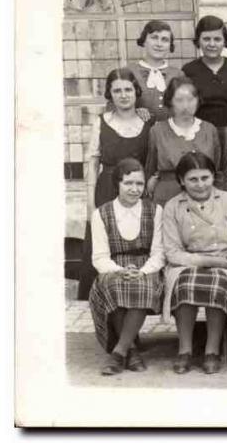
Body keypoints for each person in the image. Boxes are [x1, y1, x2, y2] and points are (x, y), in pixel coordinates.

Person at [162, 152, 227, 375]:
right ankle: (185, 350)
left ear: (213, 177)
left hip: (225, 264)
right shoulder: (173, 206)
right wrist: (210, 261)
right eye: (192, 179)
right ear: (181, 180)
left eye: (205, 178)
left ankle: (211, 350)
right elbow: (172, 252)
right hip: (187, 262)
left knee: (217, 283)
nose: (200, 185)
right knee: (184, 284)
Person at [80, 68, 153, 299]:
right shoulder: (101, 122)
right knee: (104, 248)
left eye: (128, 89)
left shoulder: (147, 122)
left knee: (132, 247)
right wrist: (90, 203)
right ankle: (106, 313)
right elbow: (92, 163)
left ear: (136, 92)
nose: (123, 95)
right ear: (110, 95)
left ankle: (133, 307)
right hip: (107, 190)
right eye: (117, 90)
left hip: (136, 191)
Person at [88, 158, 164, 375]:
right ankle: (131, 351)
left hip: (146, 266)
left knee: (142, 286)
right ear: (117, 184)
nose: (134, 189)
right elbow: (100, 257)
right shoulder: (101, 213)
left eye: (139, 184)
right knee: (113, 285)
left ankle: (119, 352)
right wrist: (120, 271)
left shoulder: (155, 210)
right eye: (128, 183)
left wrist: (142, 271)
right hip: (113, 266)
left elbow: (159, 252)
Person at [145, 76, 227, 206]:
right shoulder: (157, 131)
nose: (185, 106)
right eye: (179, 100)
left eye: (190, 99)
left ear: (198, 101)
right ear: (170, 102)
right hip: (168, 197)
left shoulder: (209, 129)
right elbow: (150, 168)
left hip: (204, 197)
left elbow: (217, 167)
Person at [182, 15, 227, 131]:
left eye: (217, 39)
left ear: (224, 41)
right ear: (198, 41)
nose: (212, 44)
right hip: (199, 136)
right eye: (206, 39)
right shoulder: (189, 70)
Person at [126, 20, 185, 122]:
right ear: (144, 41)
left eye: (165, 40)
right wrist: (133, 111)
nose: (159, 44)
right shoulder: (128, 72)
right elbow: (112, 106)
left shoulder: (178, 74)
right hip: (137, 133)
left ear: (170, 45)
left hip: (169, 134)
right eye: (154, 38)